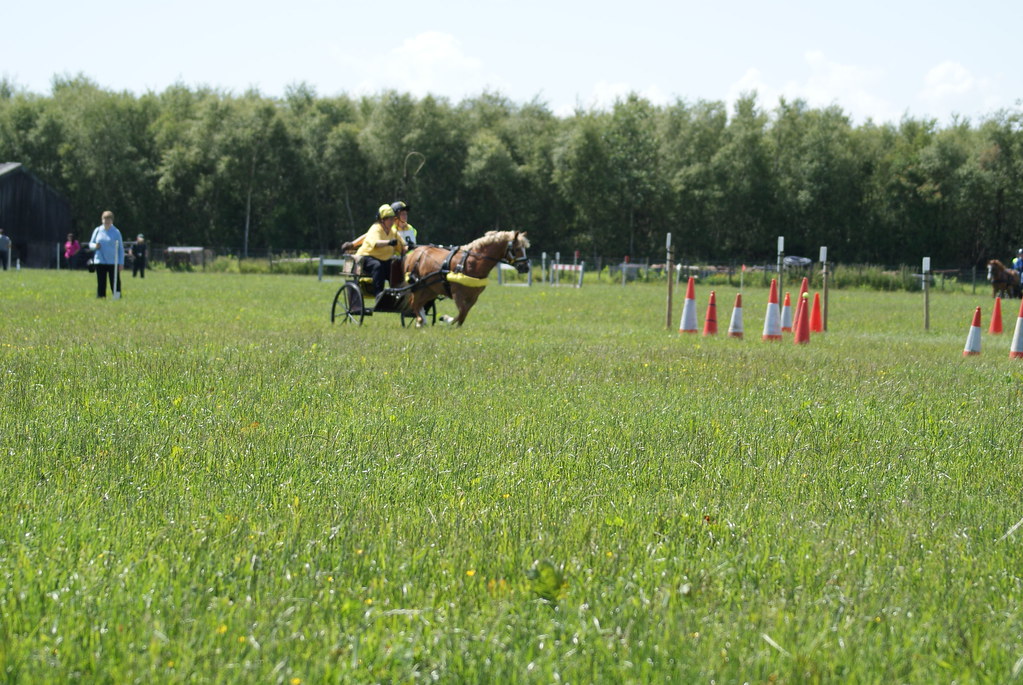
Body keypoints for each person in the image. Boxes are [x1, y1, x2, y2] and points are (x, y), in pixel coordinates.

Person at [354, 204, 407, 297]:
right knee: (377, 266)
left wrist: (408, 247)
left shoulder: (393, 232)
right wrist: (389, 242)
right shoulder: (375, 229)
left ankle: (397, 293)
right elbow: (376, 243)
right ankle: (379, 294)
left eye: (393, 219)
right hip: (366, 258)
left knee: (395, 266)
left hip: (384, 260)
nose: (392, 222)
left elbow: (402, 246)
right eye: (389, 219)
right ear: (382, 220)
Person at [341, 200, 418, 252]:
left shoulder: (411, 229)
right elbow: (368, 236)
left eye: (405, 213)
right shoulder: (389, 228)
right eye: (402, 213)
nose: (405, 215)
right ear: (395, 216)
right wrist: (353, 244)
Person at [88, 210, 125, 298]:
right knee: (101, 281)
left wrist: (121, 263)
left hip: (113, 261)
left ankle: (117, 297)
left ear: (112, 220)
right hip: (100, 261)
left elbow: (120, 248)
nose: (106, 221)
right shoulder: (97, 230)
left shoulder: (116, 232)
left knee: (115, 281)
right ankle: (101, 297)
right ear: (102, 220)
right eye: (105, 219)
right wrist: (95, 246)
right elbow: (91, 244)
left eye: (109, 219)